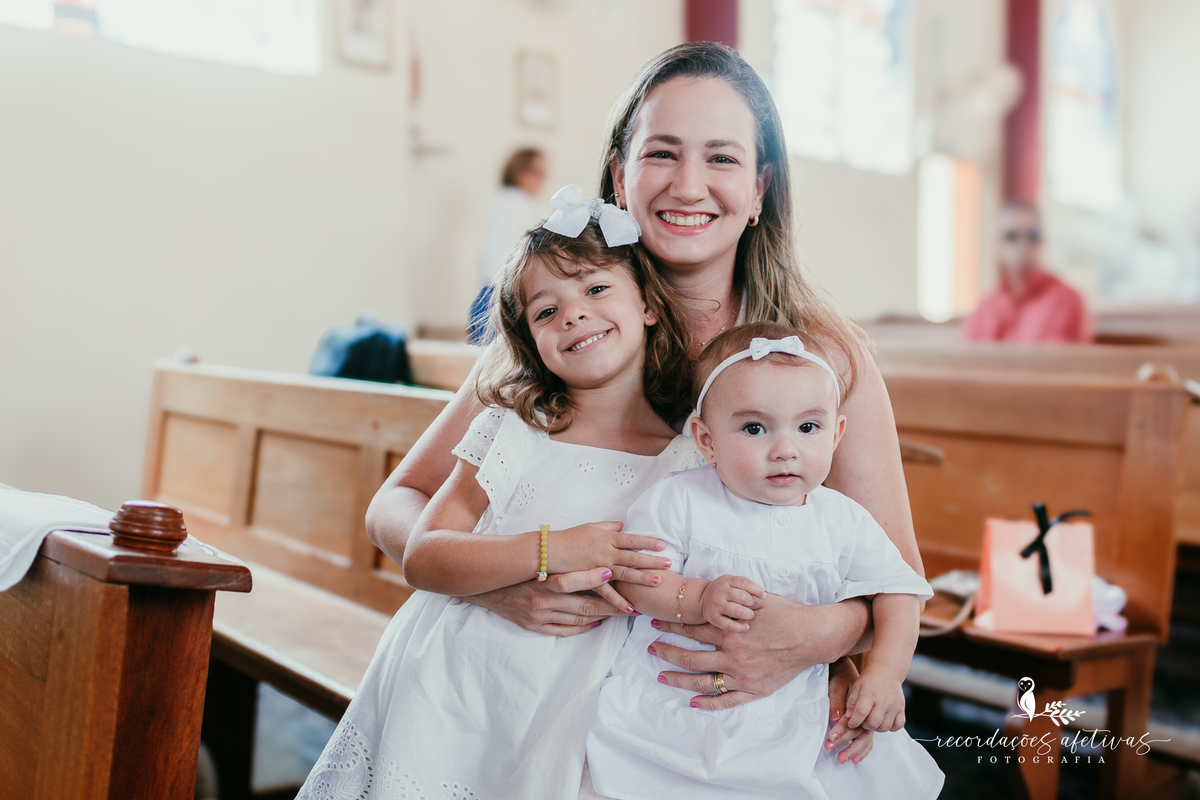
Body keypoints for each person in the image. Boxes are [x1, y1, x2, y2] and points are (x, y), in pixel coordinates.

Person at [368, 41, 922, 782]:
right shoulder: (569, 331)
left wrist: (820, 637)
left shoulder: (816, 358)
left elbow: (892, 569)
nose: (689, 185)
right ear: (620, 175)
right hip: (546, 703)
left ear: (760, 189)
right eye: (663, 152)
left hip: (728, 721)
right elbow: (397, 504)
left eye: (722, 159)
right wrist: (503, 580)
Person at [296, 203, 707, 799]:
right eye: (547, 311)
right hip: (455, 685)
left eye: (596, 287)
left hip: (572, 707)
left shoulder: (687, 460)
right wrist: (557, 549)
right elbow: (424, 556)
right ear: (529, 340)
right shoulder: (515, 427)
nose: (575, 314)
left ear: (646, 303)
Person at [587, 323, 943, 800]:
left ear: (836, 434)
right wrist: (697, 598)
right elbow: (636, 578)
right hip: (681, 704)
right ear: (706, 440)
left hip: (798, 706)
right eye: (754, 428)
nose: (785, 449)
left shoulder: (841, 518)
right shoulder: (682, 499)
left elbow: (898, 592)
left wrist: (884, 673)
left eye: (808, 427)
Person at [964, 200, 1094, 343]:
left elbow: (1068, 363)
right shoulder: (986, 306)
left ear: (1044, 241)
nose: (1023, 244)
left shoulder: (1068, 302)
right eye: (1011, 236)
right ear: (997, 244)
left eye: (1032, 235)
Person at [468, 147, 548, 344]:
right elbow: (530, 245)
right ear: (520, 172)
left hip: (488, 292)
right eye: (537, 173)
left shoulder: (503, 200)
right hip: (499, 295)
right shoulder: (517, 202)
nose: (541, 180)